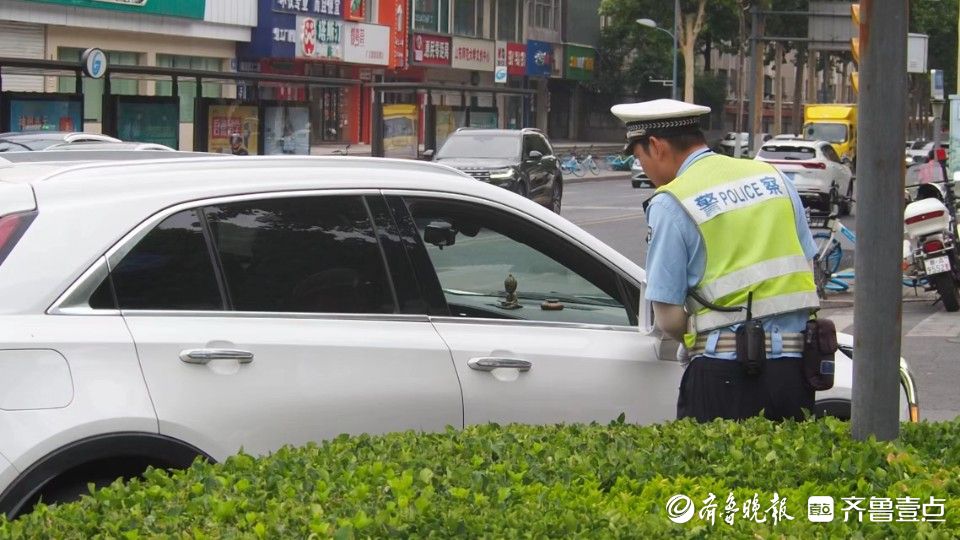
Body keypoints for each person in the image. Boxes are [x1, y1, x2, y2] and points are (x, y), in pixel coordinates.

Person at [611, 99, 821, 423]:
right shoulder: (773, 178)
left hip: (724, 374)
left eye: (639, 158)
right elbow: (806, 267)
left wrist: (697, 339)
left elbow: (667, 318)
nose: (645, 170)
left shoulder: (672, 202)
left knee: (711, 470)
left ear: (656, 146)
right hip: (795, 371)